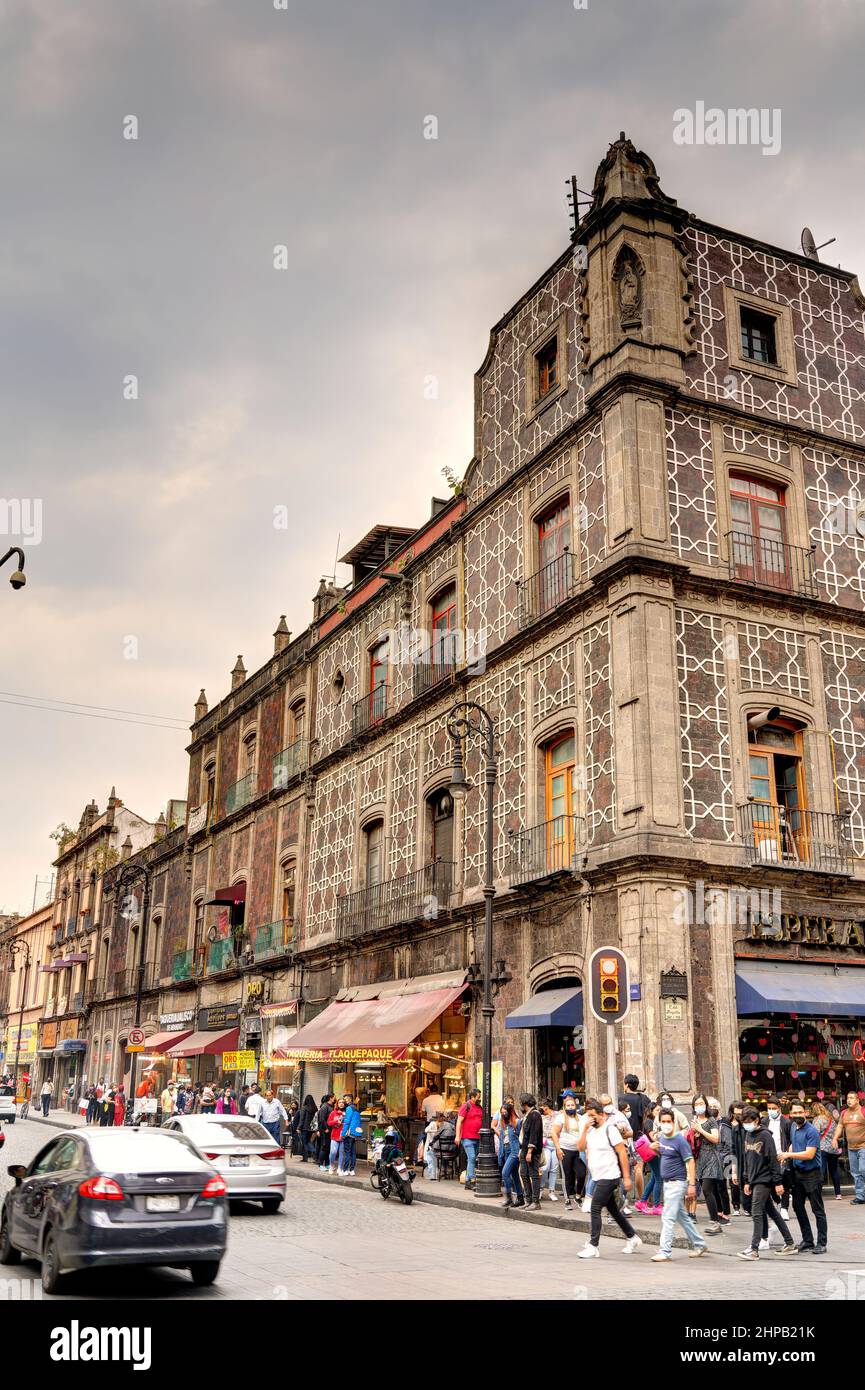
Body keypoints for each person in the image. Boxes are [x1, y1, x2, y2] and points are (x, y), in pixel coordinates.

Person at [576, 1098, 641, 1258]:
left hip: (610, 1176)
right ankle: (632, 1237)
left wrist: (626, 1177)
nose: (591, 1118)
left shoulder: (609, 1129)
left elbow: (621, 1153)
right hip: (598, 1177)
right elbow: (580, 1147)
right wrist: (584, 1129)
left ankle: (593, 1245)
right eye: (588, 1115)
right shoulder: (590, 1130)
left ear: (601, 1114)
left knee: (595, 1207)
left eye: (593, 1115)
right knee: (613, 1210)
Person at [737, 1104, 796, 1260]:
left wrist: (777, 1182)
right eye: (744, 1121)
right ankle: (789, 1243)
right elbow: (747, 1159)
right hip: (754, 1179)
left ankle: (754, 1248)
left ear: (756, 1120)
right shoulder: (748, 1135)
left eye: (748, 1121)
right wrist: (747, 1180)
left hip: (764, 1180)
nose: (746, 1124)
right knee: (772, 1212)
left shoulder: (765, 1136)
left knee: (756, 1212)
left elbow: (773, 1160)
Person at [649, 1107, 709, 1262]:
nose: (666, 1124)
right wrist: (655, 1150)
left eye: (669, 1121)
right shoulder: (662, 1138)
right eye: (663, 1122)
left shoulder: (680, 1140)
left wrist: (691, 1185)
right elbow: (666, 1156)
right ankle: (699, 1244)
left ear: (674, 1122)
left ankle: (665, 1251)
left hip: (677, 1183)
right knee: (683, 1218)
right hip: (667, 1183)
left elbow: (690, 1161)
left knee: (668, 1217)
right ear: (659, 1123)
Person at [779, 1098, 827, 1254]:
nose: (797, 1114)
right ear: (790, 1114)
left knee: (817, 1209)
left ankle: (821, 1243)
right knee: (797, 1206)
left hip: (812, 1174)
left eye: (800, 1112)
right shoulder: (793, 1127)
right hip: (798, 1174)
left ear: (806, 1113)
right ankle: (807, 1240)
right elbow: (794, 1143)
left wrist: (789, 1154)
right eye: (794, 1112)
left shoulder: (811, 1130)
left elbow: (809, 1154)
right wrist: (788, 1155)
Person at [691, 1094, 730, 1234]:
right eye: (696, 1104)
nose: (699, 1106)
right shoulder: (694, 1121)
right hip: (700, 1158)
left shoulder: (711, 1120)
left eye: (701, 1103)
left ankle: (715, 1222)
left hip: (712, 1157)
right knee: (709, 1190)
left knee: (707, 1190)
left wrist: (700, 1130)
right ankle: (715, 1219)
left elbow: (716, 1138)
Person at [551, 1090, 585, 1210]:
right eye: (568, 1105)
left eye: (572, 1105)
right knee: (567, 1175)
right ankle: (567, 1200)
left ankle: (578, 1196)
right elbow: (554, 1133)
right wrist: (558, 1148)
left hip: (578, 1151)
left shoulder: (581, 1118)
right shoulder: (560, 1118)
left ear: (576, 1106)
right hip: (565, 1149)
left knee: (581, 1174)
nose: (570, 1107)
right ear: (565, 1107)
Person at [833, 1090, 865, 1205]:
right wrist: (835, 1138)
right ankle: (860, 1196)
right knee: (855, 1172)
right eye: (848, 1098)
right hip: (851, 1148)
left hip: (863, 1147)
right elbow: (840, 1126)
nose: (849, 1100)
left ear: (857, 1100)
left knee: (863, 1170)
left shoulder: (863, 1111)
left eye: (852, 1098)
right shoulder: (844, 1113)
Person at [764, 1096, 793, 1218]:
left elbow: (790, 1140)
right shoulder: (764, 1122)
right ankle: (777, 1201)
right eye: (769, 1108)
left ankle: (784, 1208)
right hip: (769, 1157)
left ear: (779, 1108)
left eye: (774, 1108)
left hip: (782, 1155)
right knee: (771, 1183)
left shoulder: (786, 1122)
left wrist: (787, 1155)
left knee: (784, 1183)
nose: (771, 1110)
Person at [516, 1093, 544, 1213]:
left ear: (525, 1103)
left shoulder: (535, 1115)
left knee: (533, 1175)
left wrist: (530, 1152)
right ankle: (528, 1200)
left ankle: (535, 1201)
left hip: (531, 1151)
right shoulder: (528, 1115)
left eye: (521, 1103)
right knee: (524, 1174)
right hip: (524, 1149)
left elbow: (534, 1134)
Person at [635, 1103, 664, 1214]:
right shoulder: (650, 1122)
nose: (659, 1112)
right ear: (651, 1111)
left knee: (653, 1178)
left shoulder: (649, 1121)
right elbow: (653, 1137)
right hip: (653, 1153)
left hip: (653, 1153)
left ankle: (642, 1201)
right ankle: (657, 1205)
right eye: (657, 1110)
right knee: (659, 1178)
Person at [812, 1100, 843, 1200]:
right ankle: (838, 1194)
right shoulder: (831, 1119)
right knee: (834, 1171)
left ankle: (818, 1193)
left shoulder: (817, 1119)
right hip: (833, 1148)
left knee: (822, 1171)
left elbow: (815, 1133)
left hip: (822, 1148)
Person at [497, 1101, 524, 1208]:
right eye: (502, 1113)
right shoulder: (504, 1124)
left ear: (510, 1112)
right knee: (514, 1175)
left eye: (505, 1112)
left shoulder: (517, 1122)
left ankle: (509, 1198)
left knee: (505, 1173)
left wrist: (520, 1151)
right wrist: (500, 1154)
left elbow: (521, 1138)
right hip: (506, 1150)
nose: (503, 1114)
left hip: (514, 1151)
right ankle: (520, 1198)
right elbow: (502, 1140)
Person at [455, 1088, 483, 1189]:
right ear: (472, 1097)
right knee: (471, 1158)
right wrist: (457, 1136)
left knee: (473, 1159)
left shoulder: (479, 1107)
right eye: (478, 1097)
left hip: (477, 1137)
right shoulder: (465, 1106)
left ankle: (467, 1181)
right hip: (467, 1137)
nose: (479, 1099)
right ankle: (471, 1180)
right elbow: (459, 1121)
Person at [540, 1098, 561, 1201]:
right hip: (546, 1144)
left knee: (554, 1169)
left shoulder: (558, 1115)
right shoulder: (540, 1116)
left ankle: (551, 1191)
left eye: (542, 1106)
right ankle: (540, 1188)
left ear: (546, 1107)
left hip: (556, 1143)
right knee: (545, 1167)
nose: (541, 1108)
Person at [340, 1096, 363, 1175]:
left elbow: (347, 1121)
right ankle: (352, 1170)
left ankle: (345, 1170)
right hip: (355, 1133)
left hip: (349, 1133)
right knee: (353, 1152)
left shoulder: (349, 1108)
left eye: (345, 1099)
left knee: (347, 1152)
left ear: (349, 1099)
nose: (344, 1100)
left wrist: (343, 1133)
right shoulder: (356, 1108)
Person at [327, 1098, 346, 1173]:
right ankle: (331, 1165)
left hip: (343, 1136)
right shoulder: (333, 1113)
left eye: (343, 1102)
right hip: (334, 1136)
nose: (341, 1104)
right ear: (337, 1104)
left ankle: (339, 1168)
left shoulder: (346, 1113)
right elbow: (329, 1123)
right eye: (340, 1102)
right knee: (333, 1152)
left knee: (342, 1153)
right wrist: (336, 1121)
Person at [316, 1094, 334, 1170]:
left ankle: (327, 1164)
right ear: (330, 1098)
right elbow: (322, 1119)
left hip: (330, 1130)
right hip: (325, 1130)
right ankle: (320, 1164)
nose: (334, 1099)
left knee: (328, 1147)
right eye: (334, 1097)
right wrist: (325, 1128)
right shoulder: (324, 1106)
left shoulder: (330, 1106)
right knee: (324, 1146)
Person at [297, 1094, 318, 1162]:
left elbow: (302, 1119)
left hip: (305, 1128)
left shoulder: (304, 1108)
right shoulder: (315, 1108)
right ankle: (314, 1152)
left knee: (305, 1142)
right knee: (309, 1141)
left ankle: (305, 1157)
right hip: (312, 1128)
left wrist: (299, 1127)